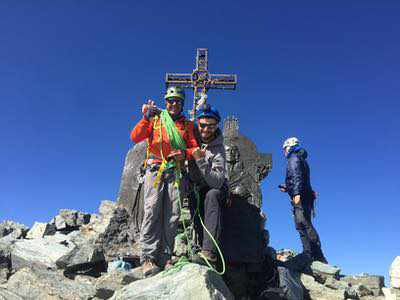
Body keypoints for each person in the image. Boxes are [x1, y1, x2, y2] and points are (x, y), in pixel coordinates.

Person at [130, 86, 199, 277]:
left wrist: (184, 153)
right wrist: (145, 117)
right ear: (166, 102)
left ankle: (166, 257)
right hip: (156, 169)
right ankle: (148, 258)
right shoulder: (156, 119)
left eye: (177, 101)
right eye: (170, 101)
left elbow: (195, 148)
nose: (173, 104)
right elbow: (135, 137)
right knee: (152, 211)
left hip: (176, 172)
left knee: (172, 214)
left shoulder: (187, 125)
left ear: (182, 104)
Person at [188, 104, 227, 266]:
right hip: (197, 187)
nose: (206, 129)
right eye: (202, 125)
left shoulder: (219, 149)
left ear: (217, 126)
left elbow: (217, 182)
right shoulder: (191, 138)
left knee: (212, 195)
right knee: (192, 197)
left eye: (211, 126)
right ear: (198, 123)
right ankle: (195, 246)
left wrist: (200, 160)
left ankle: (209, 252)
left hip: (215, 189)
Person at [279, 137, 328, 263]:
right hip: (305, 195)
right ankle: (309, 253)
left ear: (289, 146)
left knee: (303, 223)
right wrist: (288, 188)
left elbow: (296, 175)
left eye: (284, 148)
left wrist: (295, 193)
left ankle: (316, 255)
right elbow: (299, 178)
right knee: (301, 224)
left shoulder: (293, 158)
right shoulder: (300, 159)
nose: (284, 151)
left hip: (301, 196)